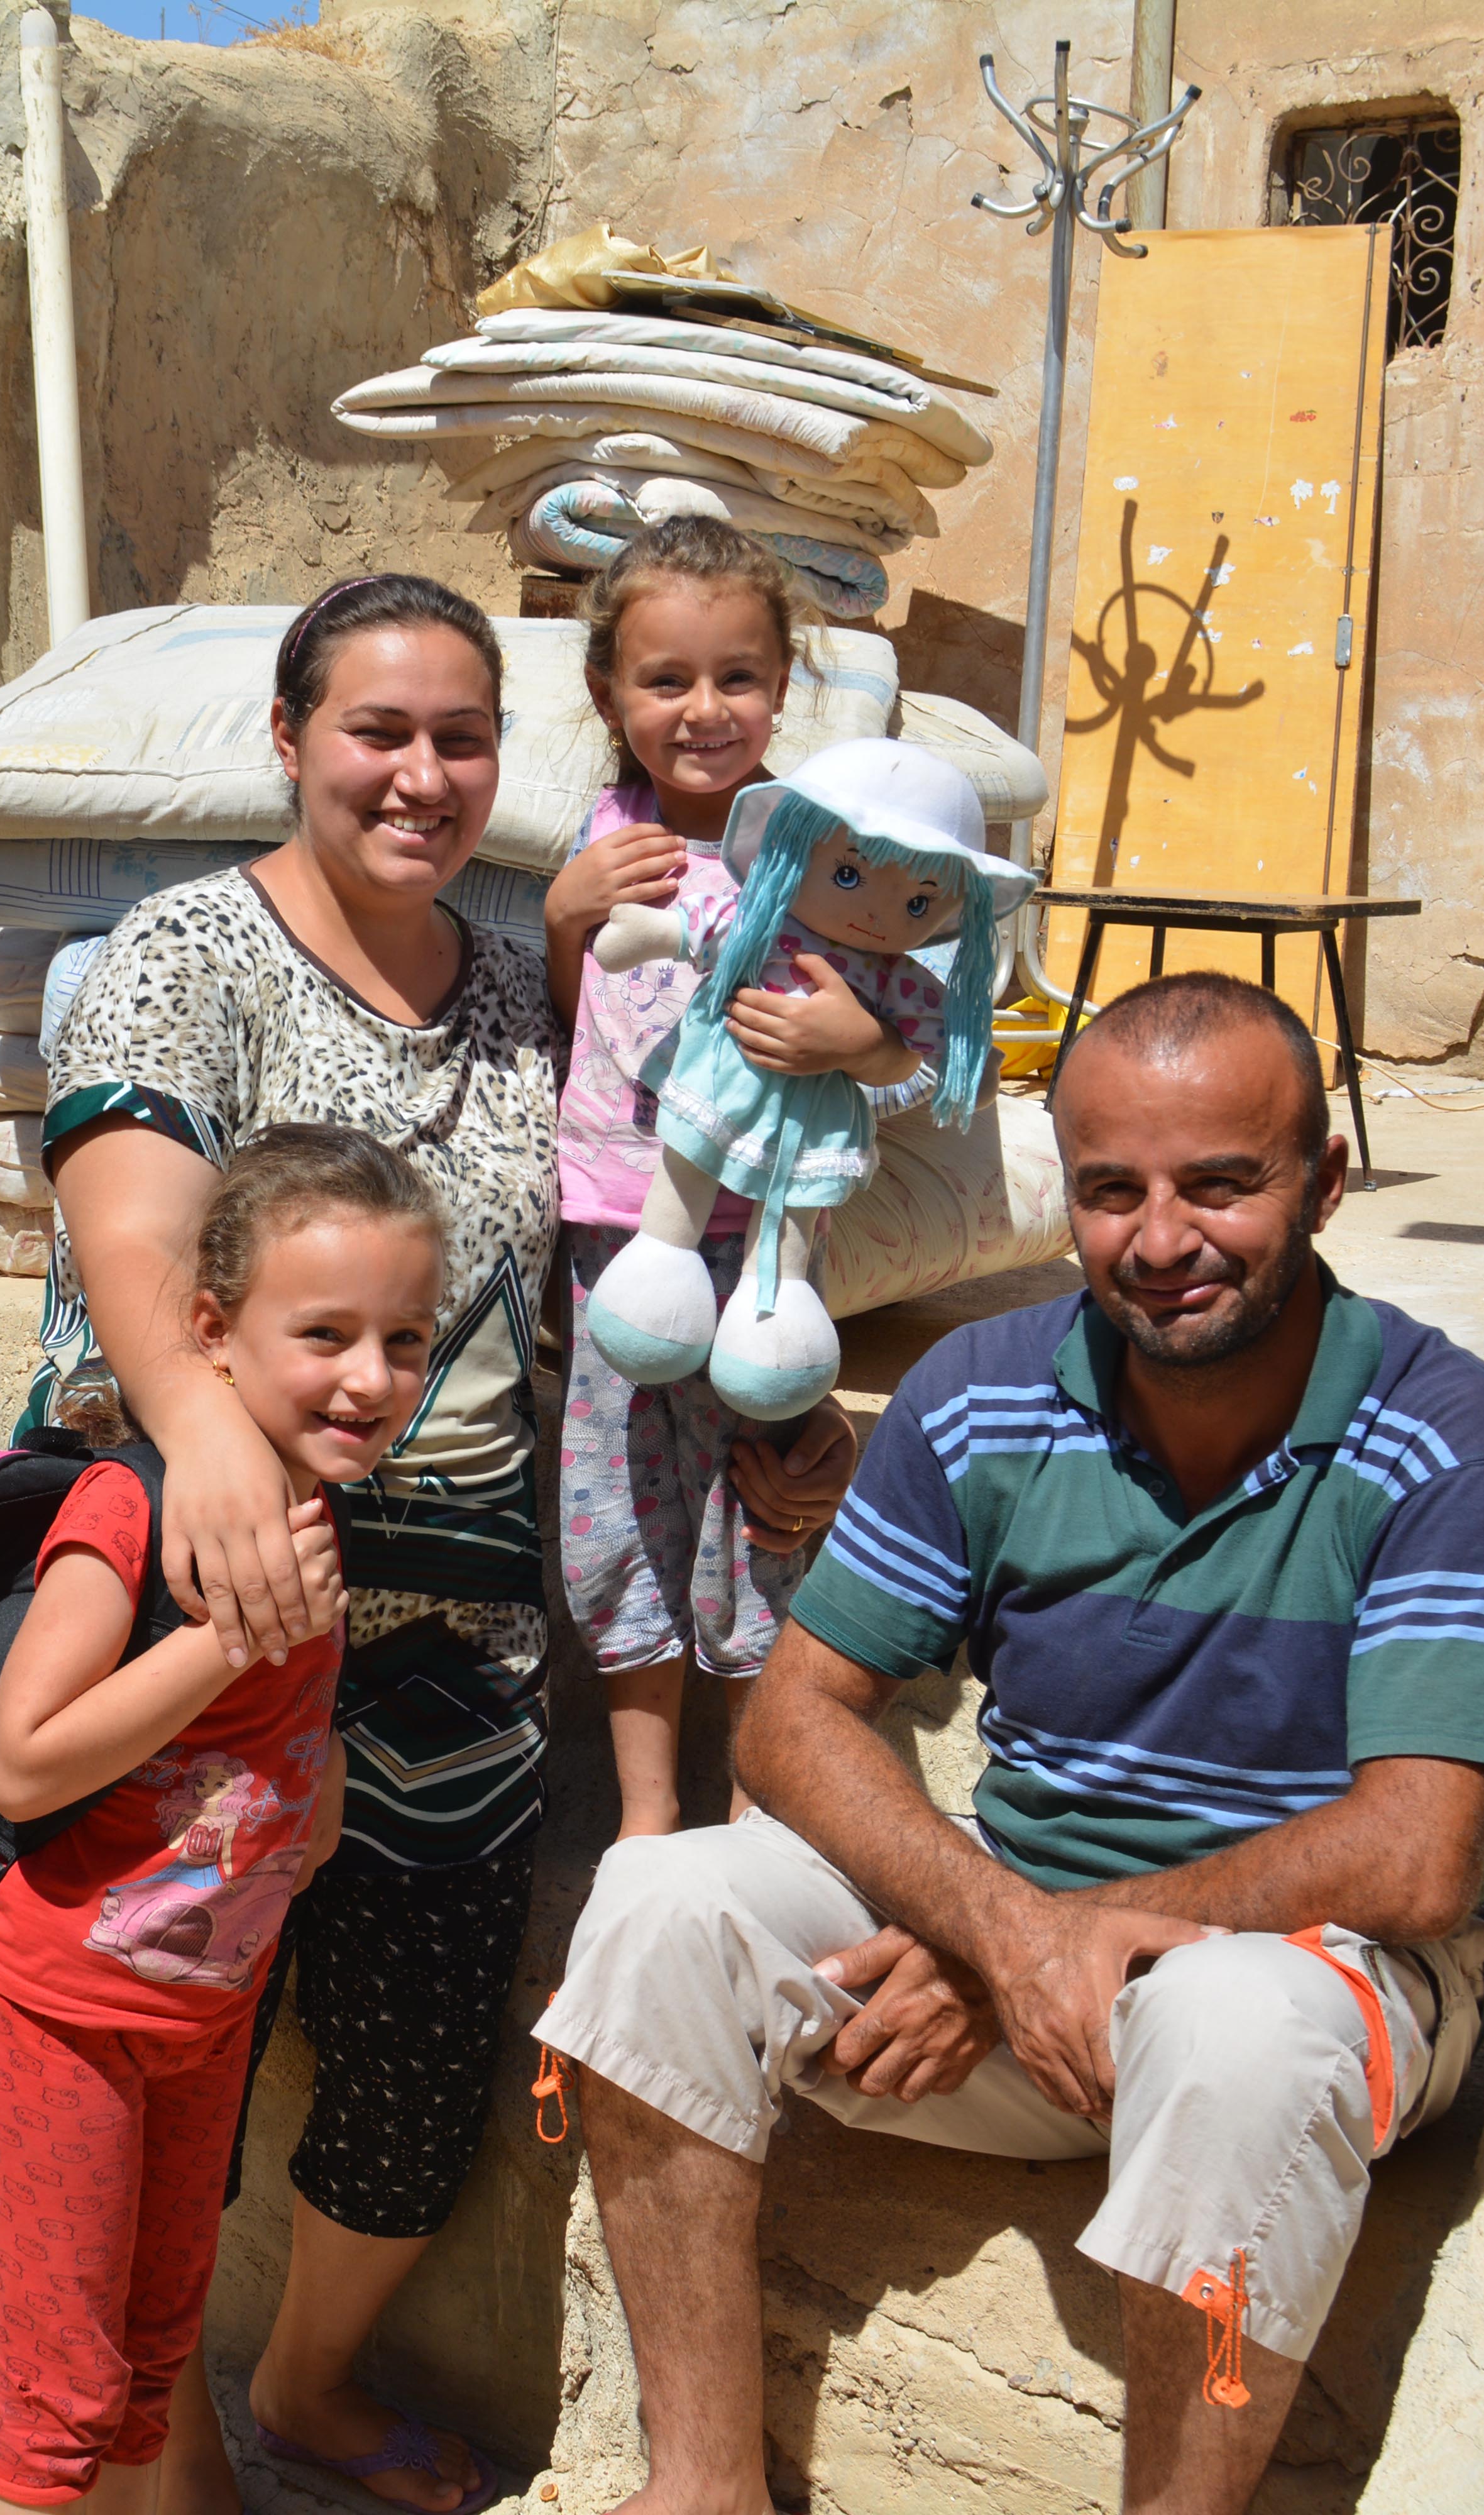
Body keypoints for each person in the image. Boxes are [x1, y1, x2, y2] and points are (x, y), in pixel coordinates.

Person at [37, 572, 859, 2515]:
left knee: (414, 2082)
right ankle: (169, 2450)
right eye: (377, 733)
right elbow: (130, 1221)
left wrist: (776, 1407)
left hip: (458, 1657)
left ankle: (311, 2387)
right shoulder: (186, 952)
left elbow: (643, 1210)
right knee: (176, 2048)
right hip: (219, 1616)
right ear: (289, 739)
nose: (420, 776)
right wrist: (205, 1444)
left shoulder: (512, 981)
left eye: (460, 739)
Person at [533, 972, 1484, 2515]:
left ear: (1326, 1181)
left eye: (1222, 1183)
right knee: (659, 1899)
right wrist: (999, 1930)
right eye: (1111, 1190)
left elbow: (1418, 1856)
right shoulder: (985, 1391)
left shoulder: (1442, 1431)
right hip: (1020, 1963)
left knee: (1230, 2024)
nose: (1161, 1238)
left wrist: (1034, 1943)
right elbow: (798, 1716)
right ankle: (703, 2487)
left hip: (1315, 1982)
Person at [0, 1127, 442, 2511]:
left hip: (201, 2023)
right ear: (214, 1333)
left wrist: (317, 1778)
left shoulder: (316, 1511)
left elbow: (273, 1747)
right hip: (66, 2019)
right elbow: (23, 1763)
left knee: (150, 2365)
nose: (371, 1378)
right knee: (59, 2398)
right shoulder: (133, 1506)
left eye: (405, 1340)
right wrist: (229, 1644)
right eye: (326, 1334)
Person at [547, 519, 881, 1838]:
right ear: (608, 695)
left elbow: (895, 1016)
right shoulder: (607, 836)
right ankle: (645, 1814)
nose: (704, 709)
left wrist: (850, 1036)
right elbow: (577, 1011)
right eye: (666, 679)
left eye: (738, 676)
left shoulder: (825, 845)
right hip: (619, 1232)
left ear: (784, 685)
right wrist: (569, 909)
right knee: (621, 1502)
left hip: (766, 1226)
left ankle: (756, 1801)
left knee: (759, 1504)